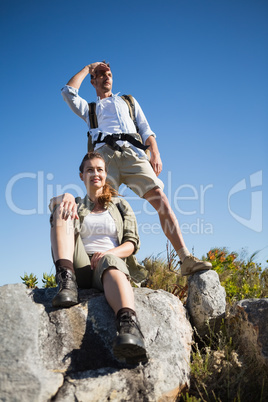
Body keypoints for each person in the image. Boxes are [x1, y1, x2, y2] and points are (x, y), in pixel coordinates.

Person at [61, 61, 211, 275]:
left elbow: (146, 129)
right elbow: (68, 92)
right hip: (104, 158)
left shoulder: (128, 101)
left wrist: (155, 153)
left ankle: (185, 258)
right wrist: (88, 68)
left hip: (133, 154)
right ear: (93, 81)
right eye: (101, 74)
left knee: (161, 200)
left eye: (109, 73)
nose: (106, 77)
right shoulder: (90, 109)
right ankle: (109, 266)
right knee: (106, 211)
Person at [49, 151, 147, 364]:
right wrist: (63, 197)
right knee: (61, 211)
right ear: (81, 175)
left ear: (106, 174)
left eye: (100, 169)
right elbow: (51, 205)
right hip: (80, 265)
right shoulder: (75, 203)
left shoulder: (120, 206)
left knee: (111, 263)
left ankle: (128, 325)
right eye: (90, 169)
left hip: (110, 264)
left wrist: (108, 254)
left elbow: (131, 243)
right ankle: (66, 280)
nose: (95, 173)